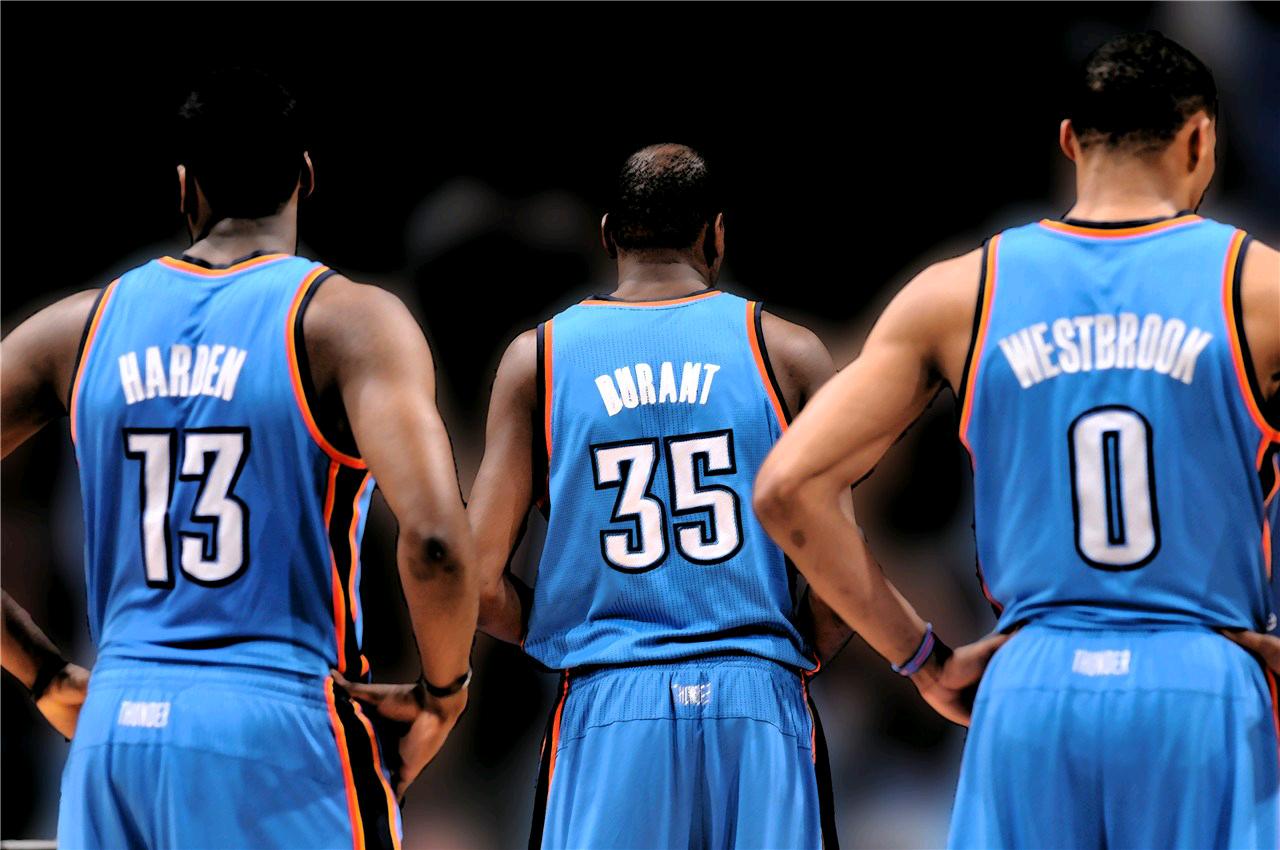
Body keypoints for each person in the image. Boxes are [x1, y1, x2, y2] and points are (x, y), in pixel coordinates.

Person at [754, 31, 1280, 849]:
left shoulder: (960, 293)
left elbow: (787, 490)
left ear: (1069, 141)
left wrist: (922, 659)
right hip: (1201, 679)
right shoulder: (1261, 287)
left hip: (1029, 686)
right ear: (1200, 139)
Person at [0, 68, 478, 850]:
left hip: (117, 729)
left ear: (183, 188)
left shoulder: (76, 329)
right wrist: (443, 693)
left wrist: (43, 672)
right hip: (279, 729)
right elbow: (435, 544)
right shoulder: (346, 323)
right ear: (306, 177)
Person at [469, 144, 852, 849]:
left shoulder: (539, 359)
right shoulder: (789, 353)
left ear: (608, 234)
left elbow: (477, 582)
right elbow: (840, 582)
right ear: (716, 235)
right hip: (758, 696)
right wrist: (798, 647)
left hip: (610, 697)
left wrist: (559, 627)